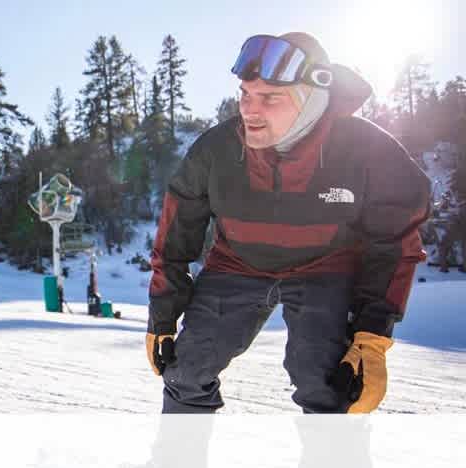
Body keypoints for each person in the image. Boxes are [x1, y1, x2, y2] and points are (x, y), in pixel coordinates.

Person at [145, 33, 431, 414]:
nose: (249, 110)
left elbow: (393, 245)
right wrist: (162, 317)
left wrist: (371, 334)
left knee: (330, 382)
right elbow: (175, 236)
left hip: (326, 268)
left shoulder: (368, 151)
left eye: (270, 98)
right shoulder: (215, 151)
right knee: (186, 369)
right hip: (237, 265)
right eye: (246, 94)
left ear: (313, 98)